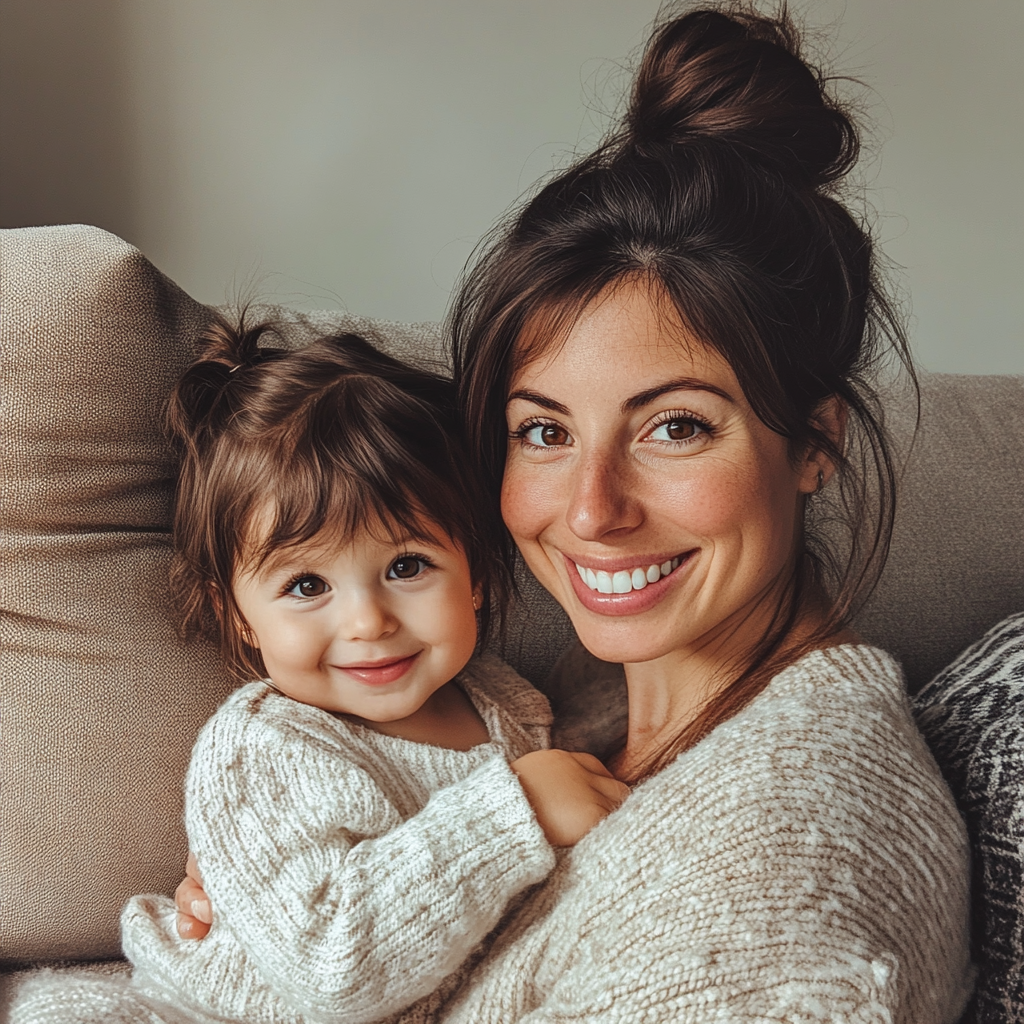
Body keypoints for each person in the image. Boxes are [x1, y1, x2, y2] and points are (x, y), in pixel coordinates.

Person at [174, 6, 973, 1022]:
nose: (590, 512)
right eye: (544, 432)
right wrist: (261, 911)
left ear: (813, 442)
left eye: (674, 427)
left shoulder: (775, 891)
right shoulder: (575, 706)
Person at [14, 321, 629, 1024]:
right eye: (308, 586)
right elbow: (334, 971)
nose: (367, 622)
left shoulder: (505, 702)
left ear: (478, 575)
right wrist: (512, 813)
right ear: (239, 615)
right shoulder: (264, 751)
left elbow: (601, 729)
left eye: (407, 567)